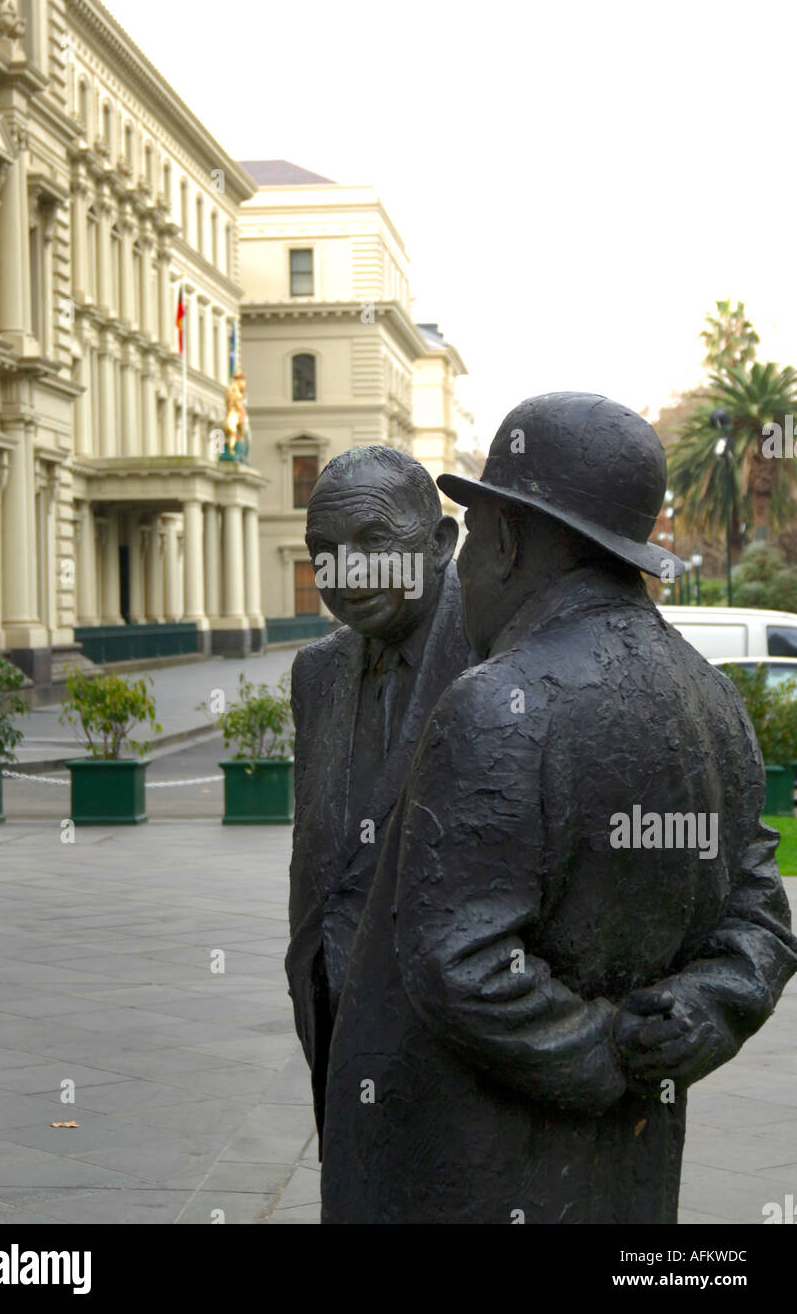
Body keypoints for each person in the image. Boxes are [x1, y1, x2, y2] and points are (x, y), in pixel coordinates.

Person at [320, 393, 797, 1224]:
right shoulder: (714, 699)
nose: (459, 567)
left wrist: (605, 1049)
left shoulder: (496, 701)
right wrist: (697, 1015)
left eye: (468, 536)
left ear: (506, 538)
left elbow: (460, 965)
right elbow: (761, 920)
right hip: (625, 1172)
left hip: (463, 1176)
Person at [286, 445, 469, 1151]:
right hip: (332, 1018)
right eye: (322, 550)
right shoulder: (318, 672)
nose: (344, 572)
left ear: (441, 544)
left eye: (372, 542)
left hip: (463, 1048)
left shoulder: (502, 662)